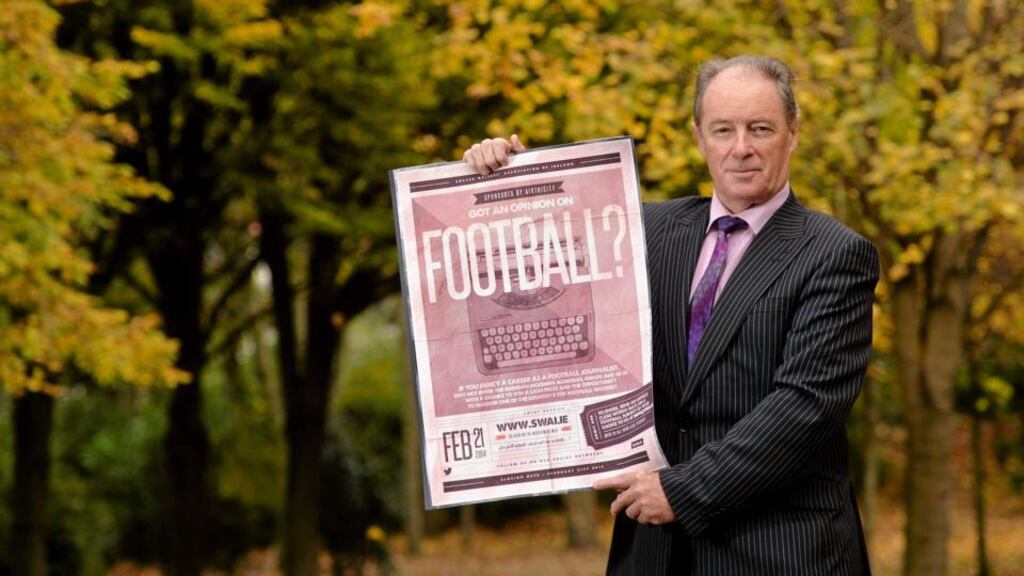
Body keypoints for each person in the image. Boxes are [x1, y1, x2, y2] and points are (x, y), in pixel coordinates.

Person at [463, 55, 878, 575]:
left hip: (780, 550)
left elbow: (805, 407)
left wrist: (684, 490)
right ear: (699, 137)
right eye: (722, 129)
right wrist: (501, 178)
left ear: (792, 133)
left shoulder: (835, 254)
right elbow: (541, 265)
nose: (741, 147)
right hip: (653, 553)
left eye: (761, 128)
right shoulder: (645, 232)